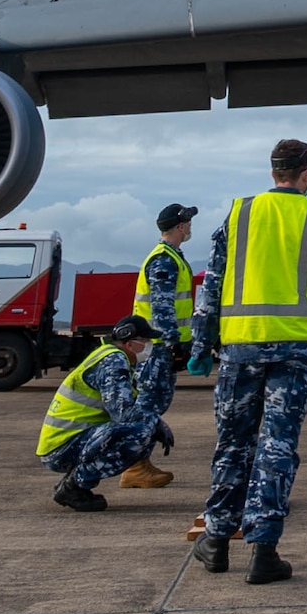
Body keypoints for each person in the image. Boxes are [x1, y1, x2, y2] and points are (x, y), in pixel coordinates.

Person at [187, 138, 307, 585]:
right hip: (294, 352)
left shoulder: (239, 214)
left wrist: (201, 344)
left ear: (272, 173)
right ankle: (264, 551)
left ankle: (217, 541)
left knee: (233, 444)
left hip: (239, 349)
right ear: (305, 174)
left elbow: (212, 286)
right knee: (277, 446)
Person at [36, 315, 174, 512]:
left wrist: (155, 423)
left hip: (71, 440)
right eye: (145, 341)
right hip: (62, 447)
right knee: (139, 432)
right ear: (130, 343)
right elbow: (122, 413)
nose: (149, 345)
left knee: (146, 426)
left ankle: (76, 482)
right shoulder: (113, 361)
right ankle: (74, 487)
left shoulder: (113, 356)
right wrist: (157, 423)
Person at [123, 202, 197, 485]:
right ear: (180, 226)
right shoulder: (164, 259)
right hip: (157, 349)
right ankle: (135, 466)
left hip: (158, 347)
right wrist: (173, 343)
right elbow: (162, 307)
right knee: (148, 405)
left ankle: (140, 462)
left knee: (154, 404)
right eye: (187, 223)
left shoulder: (171, 256)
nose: (190, 227)